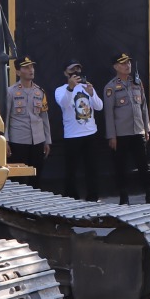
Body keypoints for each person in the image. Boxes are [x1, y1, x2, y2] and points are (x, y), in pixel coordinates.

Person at [103, 52, 150, 204]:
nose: (127, 65)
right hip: (121, 134)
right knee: (121, 166)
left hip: (138, 131)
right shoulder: (111, 87)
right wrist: (112, 136)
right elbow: (109, 113)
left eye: (129, 62)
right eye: (123, 63)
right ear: (116, 67)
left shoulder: (137, 83)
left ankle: (149, 193)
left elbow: (144, 106)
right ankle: (123, 196)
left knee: (144, 164)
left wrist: (146, 128)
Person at [54, 61, 101, 201]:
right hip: (72, 135)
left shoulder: (86, 87)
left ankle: (93, 196)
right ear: (65, 73)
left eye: (78, 69)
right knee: (71, 170)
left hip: (90, 133)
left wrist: (92, 94)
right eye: (72, 70)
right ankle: (71, 197)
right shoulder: (61, 89)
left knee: (92, 168)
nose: (75, 72)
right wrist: (70, 88)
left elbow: (99, 106)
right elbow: (64, 104)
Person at [5, 56, 51, 182]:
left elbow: (44, 117)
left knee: (36, 177)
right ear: (18, 72)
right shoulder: (10, 92)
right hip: (18, 141)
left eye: (32, 67)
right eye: (26, 67)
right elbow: (5, 118)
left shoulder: (40, 92)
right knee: (19, 179)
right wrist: (5, 141)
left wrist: (47, 140)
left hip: (38, 140)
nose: (31, 70)